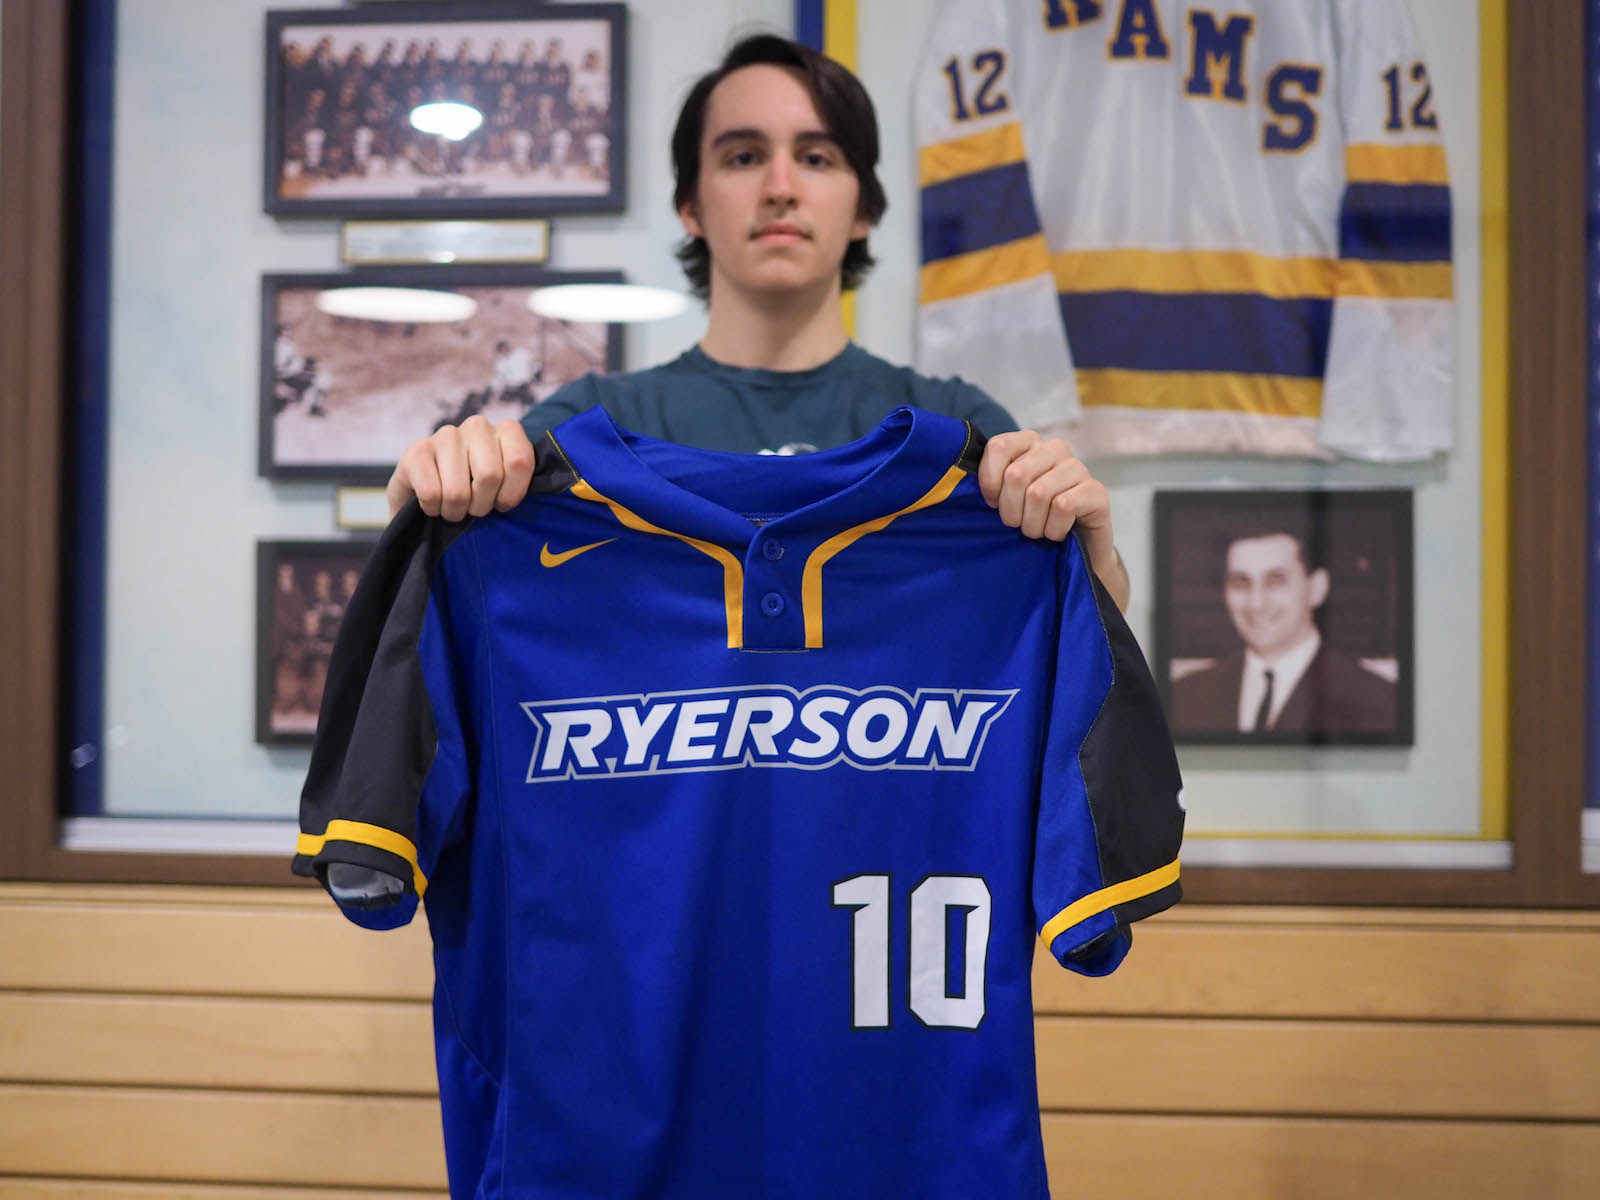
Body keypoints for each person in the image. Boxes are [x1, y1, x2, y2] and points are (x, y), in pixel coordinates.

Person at [382, 32, 1131, 612]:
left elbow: (1069, 640)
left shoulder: (955, 427)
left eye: (817, 158)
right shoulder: (589, 425)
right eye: (743, 157)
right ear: (691, 206)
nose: (780, 187)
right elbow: (453, 615)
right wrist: (428, 505)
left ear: (864, 208)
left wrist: (1093, 554)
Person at [1169, 516, 1397, 736]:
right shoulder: (1185, 695)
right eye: (1240, 583)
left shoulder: (1379, 700)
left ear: (1316, 588)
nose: (1256, 604)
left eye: (1275, 581)